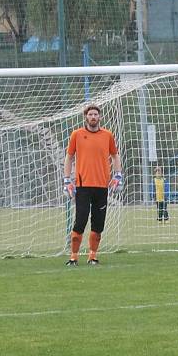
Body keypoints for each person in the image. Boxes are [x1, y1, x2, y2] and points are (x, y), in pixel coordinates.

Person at [63, 104, 123, 266]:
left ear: (100, 117)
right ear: (86, 117)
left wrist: (118, 175)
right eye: (90, 114)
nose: (93, 117)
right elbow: (69, 157)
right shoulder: (77, 134)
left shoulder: (107, 135)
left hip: (102, 187)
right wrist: (67, 180)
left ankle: (92, 256)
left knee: (98, 223)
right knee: (80, 221)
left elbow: (115, 156)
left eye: (96, 114)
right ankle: (73, 257)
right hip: (83, 186)